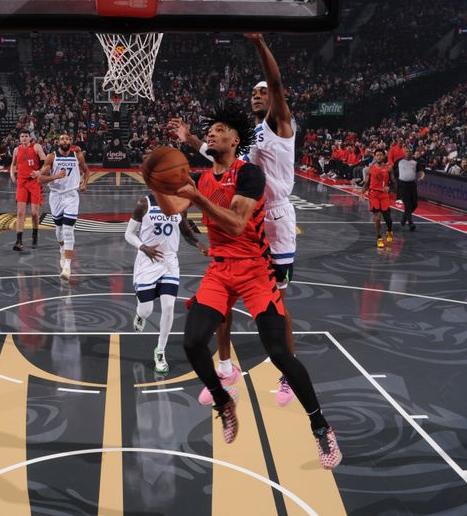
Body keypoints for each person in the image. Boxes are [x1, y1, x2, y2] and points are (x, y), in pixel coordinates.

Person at [173, 102, 341, 469]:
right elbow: (178, 212)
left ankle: (320, 425)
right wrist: (166, 192)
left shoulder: (251, 175)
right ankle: (224, 401)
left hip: (253, 269)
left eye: (220, 129)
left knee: (279, 353)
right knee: (190, 341)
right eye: (210, 130)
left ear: (235, 140)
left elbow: (235, 224)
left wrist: (197, 198)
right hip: (219, 269)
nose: (213, 133)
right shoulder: (202, 177)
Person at [169, 33, 299, 407]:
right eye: (253, 93)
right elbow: (218, 154)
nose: (258, 95)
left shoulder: (280, 125)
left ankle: (287, 373)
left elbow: (275, 83)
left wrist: (259, 45)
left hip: (274, 219)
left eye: (263, 91)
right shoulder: (243, 138)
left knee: (278, 305)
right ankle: (226, 368)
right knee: (222, 293)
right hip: (242, 214)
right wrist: (189, 137)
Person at [125, 192, 207, 373]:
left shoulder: (179, 204)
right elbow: (129, 234)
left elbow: (186, 231)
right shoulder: (143, 203)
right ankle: (140, 314)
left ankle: (160, 351)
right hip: (147, 261)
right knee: (146, 310)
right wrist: (143, 247)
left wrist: (198, 244)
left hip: (169, 263)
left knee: (169, 306)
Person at [37, 133, 90, 281]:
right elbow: (40, 179)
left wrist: (84, 183)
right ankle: (62, 249)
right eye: (62, 139)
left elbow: (86, 171)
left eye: (67, 138)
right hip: (56, 196)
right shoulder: (51, 157)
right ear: (58, 142)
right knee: (59, 230)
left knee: (68, 230)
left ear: (71, 141)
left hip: (72, 195)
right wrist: (55, 177)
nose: (65, 140)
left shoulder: (77, 155)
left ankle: (67, 267)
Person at [10, 130, 47, 251]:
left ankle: (35, 235)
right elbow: (13, 164)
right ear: (19, 138)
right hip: (22, 182)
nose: (24, 138)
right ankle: (18, 241)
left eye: (26, 136)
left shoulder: (36, 147)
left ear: (30, 137)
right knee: (20, 212)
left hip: (34, 182)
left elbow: (45, 162)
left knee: (34, 213)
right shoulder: (16, 150)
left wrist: (38, 172)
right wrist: (12, 173)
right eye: (22, 136)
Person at [363, 149, 395, 248]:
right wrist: (362, 192)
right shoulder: (370, 169)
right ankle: (379, 238)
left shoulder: (389, 168)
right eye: (377, 155)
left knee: (388, 219)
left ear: (384, 156)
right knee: (377, 218)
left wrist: (389, 188)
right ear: (374, 156)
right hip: (373, 195)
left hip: (384, 195)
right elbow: (366, 183)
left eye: (381, 155)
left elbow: (394, 183)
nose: (379, 157)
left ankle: (389, 231)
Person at [396, 146, 424, 231]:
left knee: (414, 204)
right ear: (404, 152)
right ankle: (411, 223)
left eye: (410, 151)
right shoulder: (399, 161)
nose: (408, 152)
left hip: (412, 185)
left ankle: (404, 218)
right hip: (403, 185)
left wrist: (421, 177)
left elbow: (421, 172)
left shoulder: (415, 162)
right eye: (407, 151)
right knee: (407, 205)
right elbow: (391, 169)